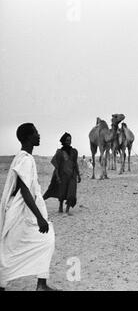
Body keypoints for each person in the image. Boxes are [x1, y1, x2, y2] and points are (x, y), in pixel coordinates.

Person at [0, 123, 57, 291]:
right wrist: (40, 218)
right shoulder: (25, 159)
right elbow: (25, 191)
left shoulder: (23, 158)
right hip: (21, 213)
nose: (38, 135)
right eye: (35, 133)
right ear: (27, 137)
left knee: (45, 241)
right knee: (11, 250)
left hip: (24, 213)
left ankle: (41, 284)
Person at [43, 132, 81, 215]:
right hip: (63, 175)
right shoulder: (59, 152)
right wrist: (57, 177)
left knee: (71, 193)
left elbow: (75, 163)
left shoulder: (74, 151)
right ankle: (60, 206)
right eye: (67, 140)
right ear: (64, 141)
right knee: (62, 192)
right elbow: (57, 165)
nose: (69, 142)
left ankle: (67, 209)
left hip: (72, 175)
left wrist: (78, 174)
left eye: (70, 140)